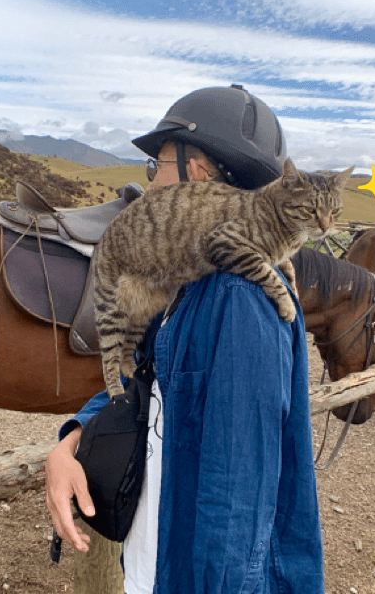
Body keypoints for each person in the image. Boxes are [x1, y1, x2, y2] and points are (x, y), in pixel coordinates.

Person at [45, 85, 324, 594]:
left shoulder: (237, 297)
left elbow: (235, 504)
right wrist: (72, 439)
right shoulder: (191, 275)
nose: (149, 183)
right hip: (157, 561)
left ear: (196, 171)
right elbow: (141, 373)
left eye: (157, 166)